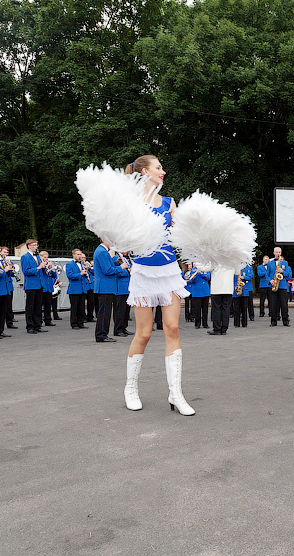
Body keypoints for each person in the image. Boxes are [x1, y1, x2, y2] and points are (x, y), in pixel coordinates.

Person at [121, 155, 193, 415]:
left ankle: (176, 393)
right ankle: (130, 388)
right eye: (159, 167)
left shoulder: (168, 202)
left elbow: (180, 235)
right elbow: (121, 239)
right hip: (143, 272)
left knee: (172, 327)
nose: (163, 171)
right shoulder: (130, 202)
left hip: (169, 271)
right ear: (143, 172)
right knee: (144, 333)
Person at [92, 240, 128, 342]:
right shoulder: (102, 252)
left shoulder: (101, 251)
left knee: (105, 311)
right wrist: (121, 267)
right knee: (104, 312)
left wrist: (115, 263)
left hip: (105, 286)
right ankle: (101, 335)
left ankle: (102, 334)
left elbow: (106, 266)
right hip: (105, 286)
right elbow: (107, 271)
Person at [21, 240, 47, 333]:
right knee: (30, 306)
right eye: (33, 245)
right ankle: (30, 326)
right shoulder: (25, 257)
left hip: (39, 284)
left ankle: (37, 325)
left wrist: (45, 266)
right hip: (31, 285)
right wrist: (38, 267)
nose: (36, 247)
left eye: (36, 245)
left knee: (38, 306)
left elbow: (41, 271)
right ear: (28, 246)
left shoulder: (38, 257)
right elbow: (26, 271)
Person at [267, 247, 292, 326]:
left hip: (283, 286)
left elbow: (288, 275)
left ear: (281, 253)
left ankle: (285, 321)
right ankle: (273, 321)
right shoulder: (270, 263)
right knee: (273, 304)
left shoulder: (285, 263)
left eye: (279, 252)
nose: (278, 254)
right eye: (276, 252)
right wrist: (270, 280)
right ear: (274, 253)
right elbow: (266, 275)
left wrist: (282, 271)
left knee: (284, 304)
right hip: (274, 285)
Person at [65, 249, 90, 330]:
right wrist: (80, 273)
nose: (79, 256)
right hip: (74, 289)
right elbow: (70, 276)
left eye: (80, 255)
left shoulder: (82, 264)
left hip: (82, 288)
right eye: (78, 254)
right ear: (73, 255)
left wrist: (86, 271)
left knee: (81, 307)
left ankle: (81, 322)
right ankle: (74, 323)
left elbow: (85, 275)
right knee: (74, 307)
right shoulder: (69, 264)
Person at [208, 265, 234, 335]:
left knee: (216, 309)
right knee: (226, 309)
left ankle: (217, 328)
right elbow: (237, 271)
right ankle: (224, 329)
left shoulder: (215, 260)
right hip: (228, 289)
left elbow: (205, 268)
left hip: (217, 288)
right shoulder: (232, 261)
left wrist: (196, 262)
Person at [0, 246, 19, 329]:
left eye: (7, 252)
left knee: (9, 304)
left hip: (9, 285)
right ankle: (3, 322)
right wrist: (5, 266)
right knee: (4, 306)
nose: (5, 254)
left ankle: (10, 321)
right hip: (3, 285)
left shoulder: (8, 261)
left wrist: (11, 267)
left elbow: (11, 274)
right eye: (4, 252)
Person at [113, 252, 132, 336]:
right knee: (120, 310)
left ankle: (124, 327)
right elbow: (116, 271)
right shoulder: (116, 258)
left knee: (126, 310)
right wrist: (128, 272)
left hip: (128, 287)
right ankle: (118, 329)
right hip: (120, 287)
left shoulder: (127, 259)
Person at [39, 251, 59, 326]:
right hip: (43, 286)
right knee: (40, 305)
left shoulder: (48, 265)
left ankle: (48, 320)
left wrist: (52, 269)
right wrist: (44, 266)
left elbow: (54, 275)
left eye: (47, 257)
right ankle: (39, 320)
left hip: (49, 287)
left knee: (48, 305)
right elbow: (42, 273)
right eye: (44, 257)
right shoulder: (40, 264)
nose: (46, 259)